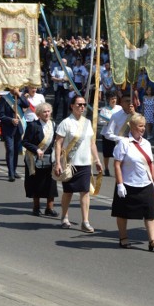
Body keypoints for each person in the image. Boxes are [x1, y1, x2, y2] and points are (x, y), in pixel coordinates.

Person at [111, 113, 154, 251]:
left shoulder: (146, 143)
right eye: (140, 126)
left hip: (145, 184)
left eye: (144, 126)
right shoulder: (124, 143)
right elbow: (117, 164)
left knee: (150, 213)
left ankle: (152, 240)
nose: (143, 128)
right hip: (128, 184)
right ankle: (123, 238)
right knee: (122, 212)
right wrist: (120, 184)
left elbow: (151, 164)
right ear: (132, 126)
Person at [53, 95, 103, 232]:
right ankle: (64, 217)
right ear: (72, 106)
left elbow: (92, 143)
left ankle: (85, 221)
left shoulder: (87, 123)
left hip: (85, 163)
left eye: (84, 104)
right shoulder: (65, 123)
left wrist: (97, 160)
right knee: (68, 192)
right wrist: (58, 163)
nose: (82, 107)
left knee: (85, 192)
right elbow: (58, 144)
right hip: (69, 163)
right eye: (79, 104)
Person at [22, 103, 58, 216]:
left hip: (49, 158)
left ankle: (49, 208)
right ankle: (36, 207)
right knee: (36, 182)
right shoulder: (33, 125)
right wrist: (36, 149)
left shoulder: (53, 125)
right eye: (44, 112)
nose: (47, 114)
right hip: (35, 158)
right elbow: (25, 142)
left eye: (48, 111)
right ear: (39, 114)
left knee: (51, 183)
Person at [0, 87, 30, 182]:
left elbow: (26, 104)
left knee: (15, 150)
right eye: (13, 86)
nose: (15, 88)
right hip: (8, 129)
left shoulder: (20, 97)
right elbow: (0, 114)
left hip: (18, 128)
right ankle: (10, 173)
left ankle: (14, 170)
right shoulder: (4, 98)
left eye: (17, 87)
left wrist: (19, 94)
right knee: (10, 150)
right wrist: (10, 120)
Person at [99, 92, 122, 176]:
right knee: (107, 153)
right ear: (108, 100)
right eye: (112, 99)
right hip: (107, 134)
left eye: (115, 98)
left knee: (118, 153)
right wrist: (108, 122)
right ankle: (106, 168)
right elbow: (101, 121)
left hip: (117, 134)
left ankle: (118, 168)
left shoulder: (120, 108)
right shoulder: (104, 110)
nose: (114, 100)